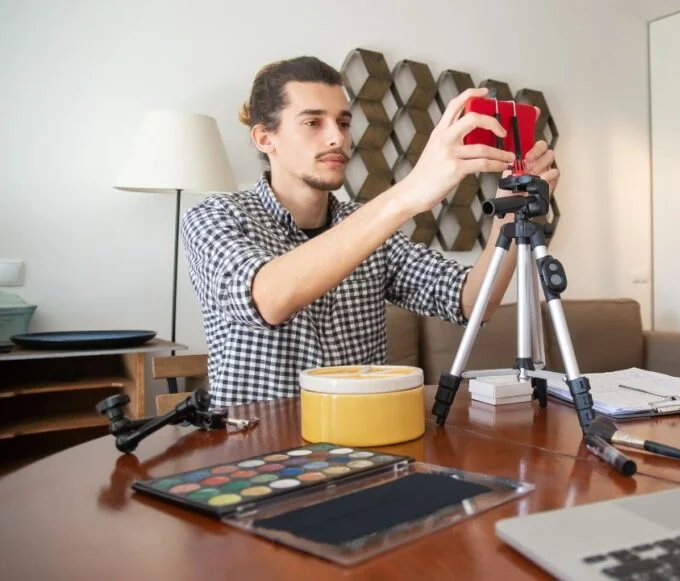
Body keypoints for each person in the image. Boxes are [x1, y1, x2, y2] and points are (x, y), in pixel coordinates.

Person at [181, 56, 560, 407]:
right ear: (266, 138)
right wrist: (409, 192)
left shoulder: (367, 224)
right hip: (257, 444)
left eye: (343, 123)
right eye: (313, 123)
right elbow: (268, 299)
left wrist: (512, 215)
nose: (337, 138)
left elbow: (473, 302)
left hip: (363, 438)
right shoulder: (215, 216)